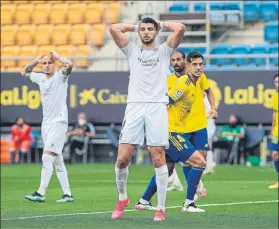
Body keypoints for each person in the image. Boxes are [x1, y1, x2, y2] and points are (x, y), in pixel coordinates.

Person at [109, 17, 185, 221]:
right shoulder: (132, 50)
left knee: (158, 156)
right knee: (122, 159)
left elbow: (180, 27)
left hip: (157, 107)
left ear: (156, 31)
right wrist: (135, 26)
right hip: (134, 106)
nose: (145, 32)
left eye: (150, 29)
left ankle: (160, 207)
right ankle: (122, 198)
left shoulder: (165, 51)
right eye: (142, 29)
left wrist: (161, 22)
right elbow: (113, 28)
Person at [135, 52, 218, 213]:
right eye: (195, 64)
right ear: (189, 65)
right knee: (199, 162)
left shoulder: (196, 80)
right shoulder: (182, 83)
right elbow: (165, 101)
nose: (198, 67)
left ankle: (144, 200)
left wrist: (212, 109)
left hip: (186, 128)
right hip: (173, 132)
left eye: (201, 64)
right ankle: (189, 203)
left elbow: (207, 92)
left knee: (168, 168)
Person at [21, 51, 74, 203]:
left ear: (54, 64)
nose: (46, 66)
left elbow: (69, 64)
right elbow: (24, 72)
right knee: (57, 160)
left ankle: (41, 192)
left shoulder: (60, 76)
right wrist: (35, 61)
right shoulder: (39, 78)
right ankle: (67, 194)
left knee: (47, 156)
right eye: (43, 63)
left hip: (59, 122)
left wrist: (57, 57)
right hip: (47, 124)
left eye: (49, 63)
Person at [268, 73, 278, 189]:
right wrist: (272, 128)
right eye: (276, 82)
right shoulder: (275, 96)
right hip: (277, 131)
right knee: (275, 154)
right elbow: (275, 114)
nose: (277, 84)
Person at [203, 92, 217, 174]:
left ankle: (210, 163)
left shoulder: (206, 101)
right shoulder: (203, 100)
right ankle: (209, 163)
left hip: (208, 124)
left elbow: (210, 114)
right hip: (207, 124)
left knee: (207, 144)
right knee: (207, 145)